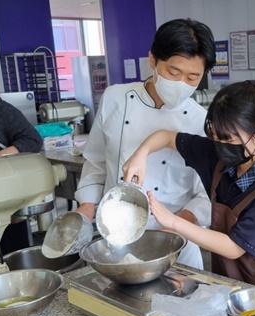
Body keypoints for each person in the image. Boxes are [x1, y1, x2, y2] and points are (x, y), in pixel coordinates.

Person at [123, 80, 255, 287]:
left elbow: (233, 247)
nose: (221, 148)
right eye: (216, 138)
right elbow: (167, 137)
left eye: (230, 142)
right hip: (223, 282)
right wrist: (140, 155)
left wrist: (174, 222)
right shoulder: (217, 156)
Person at [75, 18, 215, 269]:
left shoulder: (200, 122)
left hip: (175, 243)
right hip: (115, 237)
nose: (181, 84)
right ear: (153, 60)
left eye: (193, 77)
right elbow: (96, 162)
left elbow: (207, 193)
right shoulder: (115, 99)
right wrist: (86, 207)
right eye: (173, 72)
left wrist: (176, 225)